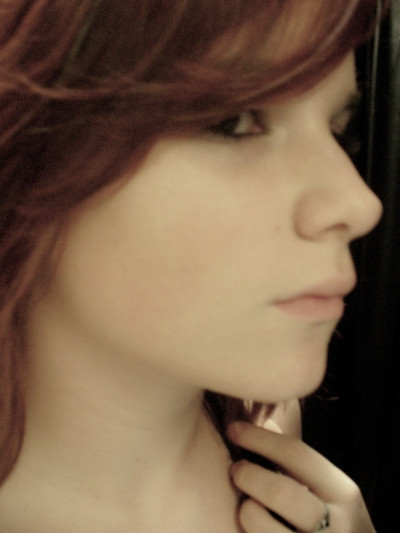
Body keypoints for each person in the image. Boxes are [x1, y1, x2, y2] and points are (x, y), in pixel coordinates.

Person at [0, 1, 390, 531]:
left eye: (338, 131)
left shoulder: (265, 430)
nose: (359, 204)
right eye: (234, 123)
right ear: (24, 150)